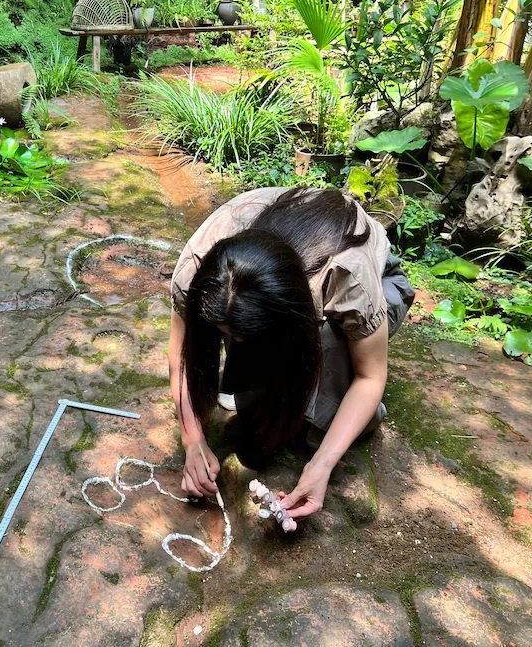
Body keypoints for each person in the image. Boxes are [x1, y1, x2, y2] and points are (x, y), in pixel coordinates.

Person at [168, 186, 415, 521]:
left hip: (379, 283)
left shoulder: (347, 276)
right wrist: (192, 439)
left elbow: (370, 376)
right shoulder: (199, 269)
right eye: (228, 335)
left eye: (242, 335)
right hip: (277, 303)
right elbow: (183, 355)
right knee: (259, 382)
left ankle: (337, 401)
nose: (233, 343)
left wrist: (321, 466)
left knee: (319, 393)